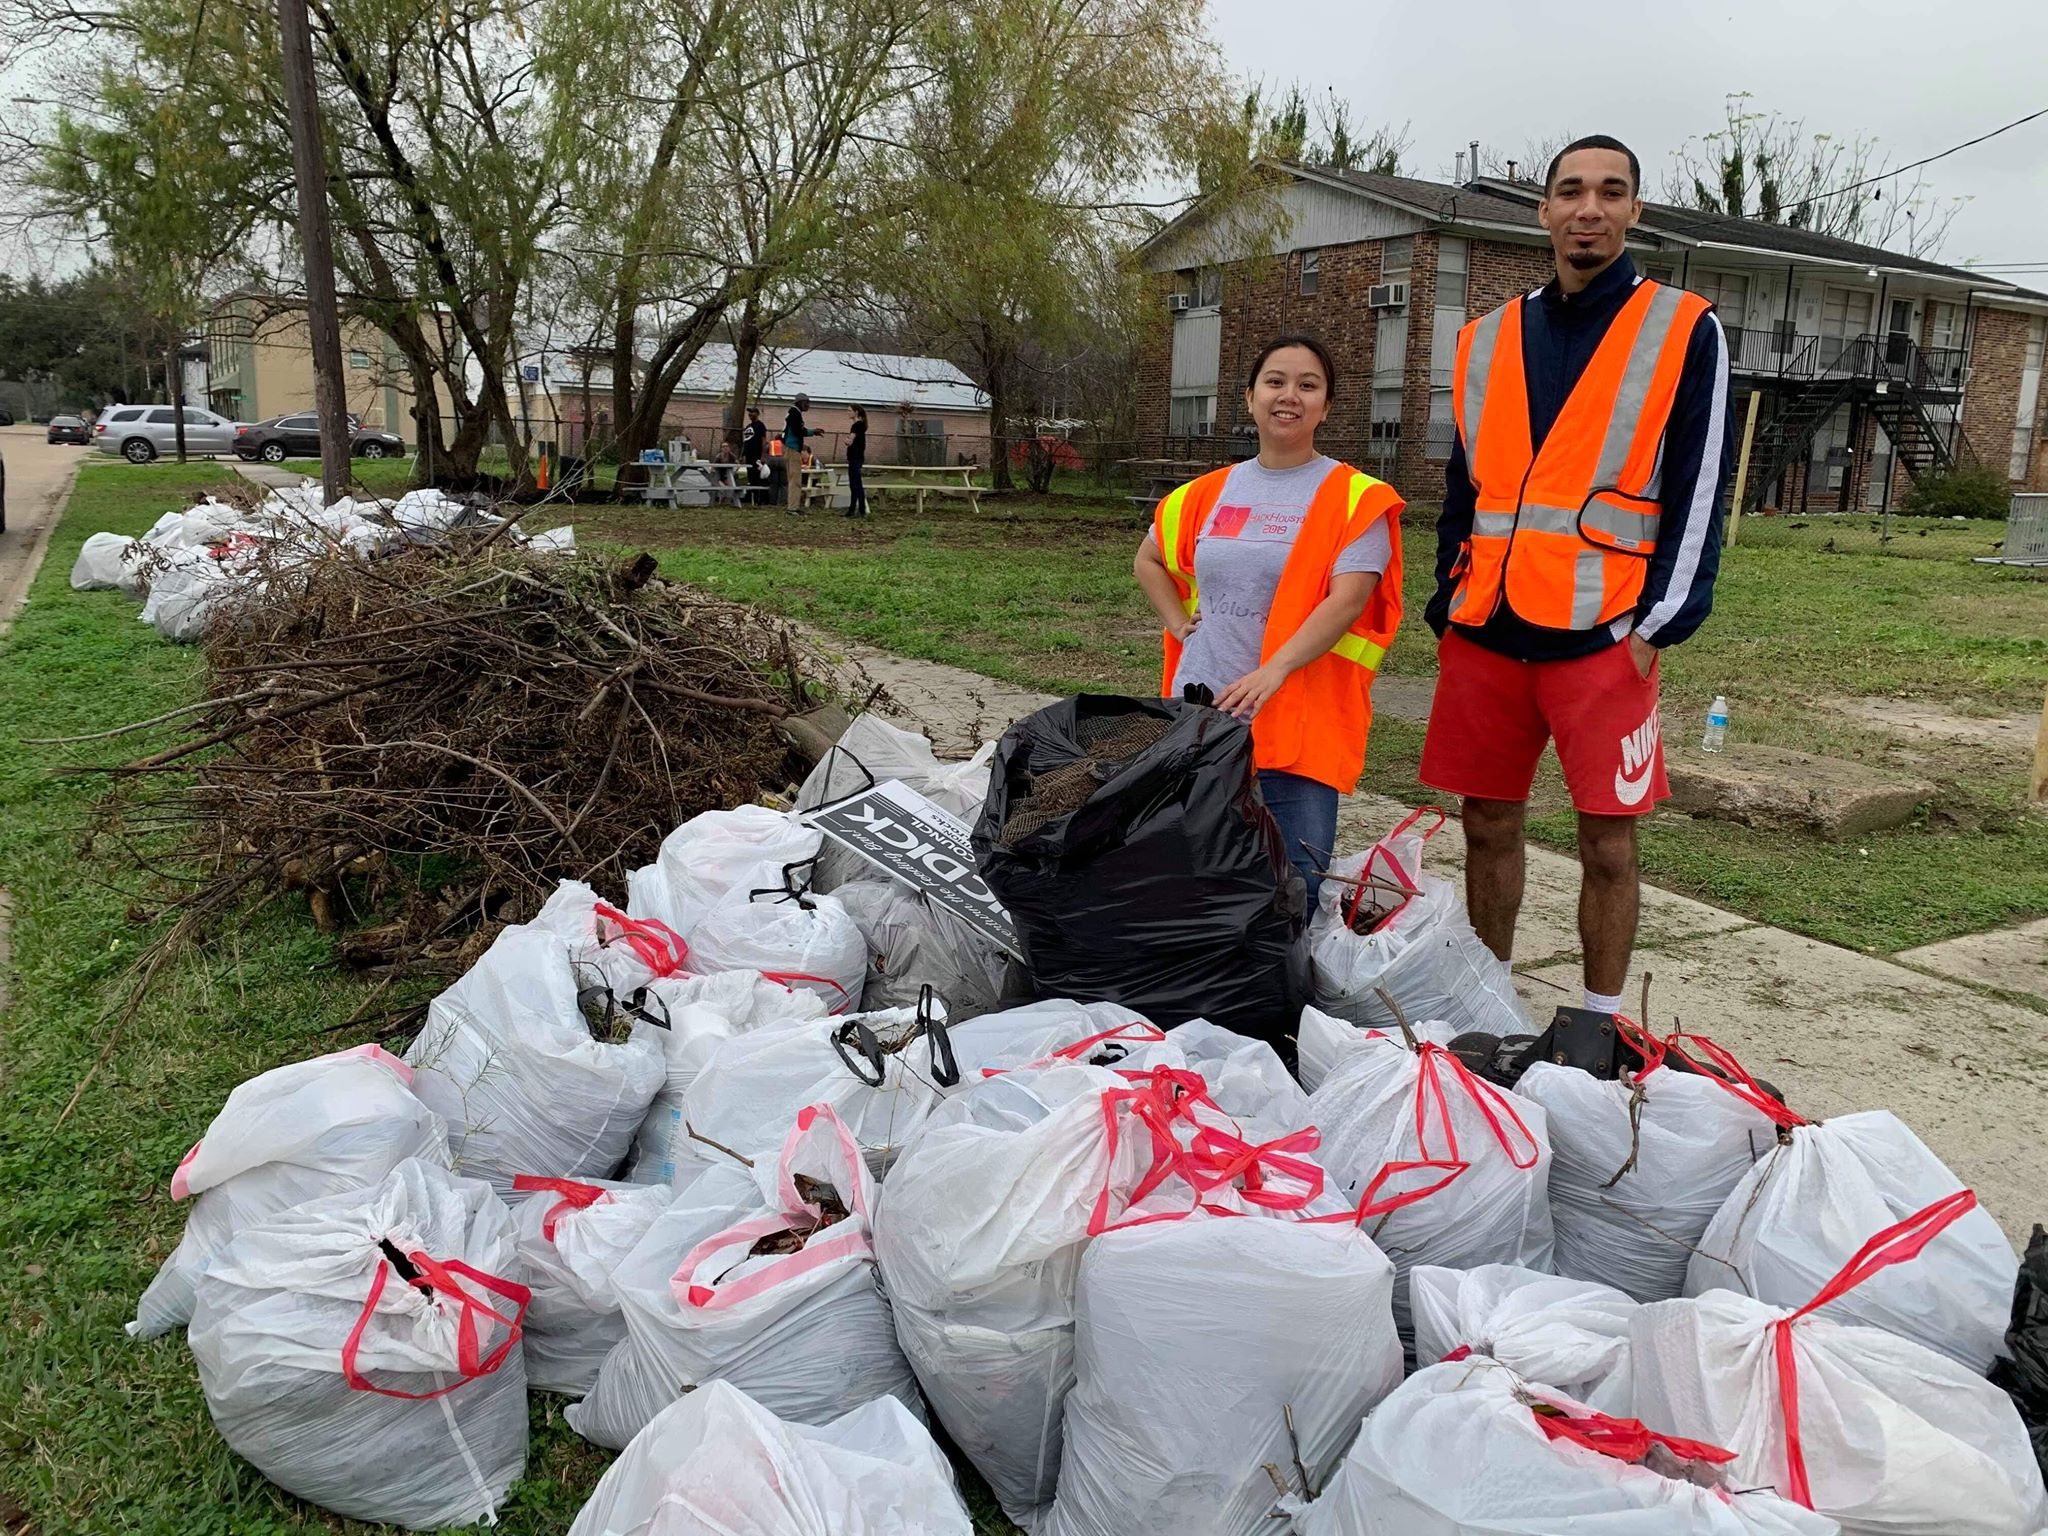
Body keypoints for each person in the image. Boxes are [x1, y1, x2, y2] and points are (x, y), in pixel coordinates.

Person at [1420, 133, 1732, 1023]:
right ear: (1543, 211)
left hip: (1605, 632)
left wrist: (1659, 625)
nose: (1587, 208)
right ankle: (1488, 1005)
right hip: (1487, 628)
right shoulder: (1486, 337)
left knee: (1608, 845)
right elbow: (1463, 480)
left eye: (1610, 191)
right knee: (1487, 826)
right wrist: (1449, 596)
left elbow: (1699, 483)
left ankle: (1596, 1022)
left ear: (1634, 210)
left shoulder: (1682, 325)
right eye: (1570, 191)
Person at [1135, 335, 1405, 904]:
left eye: (1308, 386)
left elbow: (1347, 599)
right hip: (1200, 715)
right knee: (1195, 880)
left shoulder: (1357, 498)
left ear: (1326, 407)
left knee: (1291, 889)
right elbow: (1150, 558)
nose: (1290, 396)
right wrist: (1180, 626)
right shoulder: (1205, 494)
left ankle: (1278, 995)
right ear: (1250, 397)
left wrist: (1273, 671)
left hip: (1297, 722)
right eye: (1275, 382)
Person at [783, 394, 815, 512]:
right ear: (800, 402)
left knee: (793, 479)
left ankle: (793, 506)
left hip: (790, 448)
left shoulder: (793, 412)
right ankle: (792, 508)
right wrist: (812, 432)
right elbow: (798, 431)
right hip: (792, 448)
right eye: (807, 402)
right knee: (795, 479)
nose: (808, 405)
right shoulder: (795, 413)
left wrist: (812, 432)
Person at [845, 405, 869, 518]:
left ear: (856, 412)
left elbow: (850, 441)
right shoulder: (861, 425)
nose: (848, 413)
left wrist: (847, 441)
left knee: (856, 484)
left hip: (855, 457)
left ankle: (860, 509)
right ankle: (854, 508)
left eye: (850, 411)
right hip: (856, 457)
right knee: (855, 484)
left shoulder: (856, 426)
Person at [741, 406, 767, 503]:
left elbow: (764, 441)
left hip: (756, 455)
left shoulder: (760, 425)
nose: (750, 414)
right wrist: (742, 455)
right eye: (749, 413)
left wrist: (763, 455)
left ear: (757, 414)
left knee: (757, 476)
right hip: (748, 455)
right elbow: (745, 442)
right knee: (750, 476)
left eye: (752, 412)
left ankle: (758, 499)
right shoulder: (748, 427)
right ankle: (750, 497)